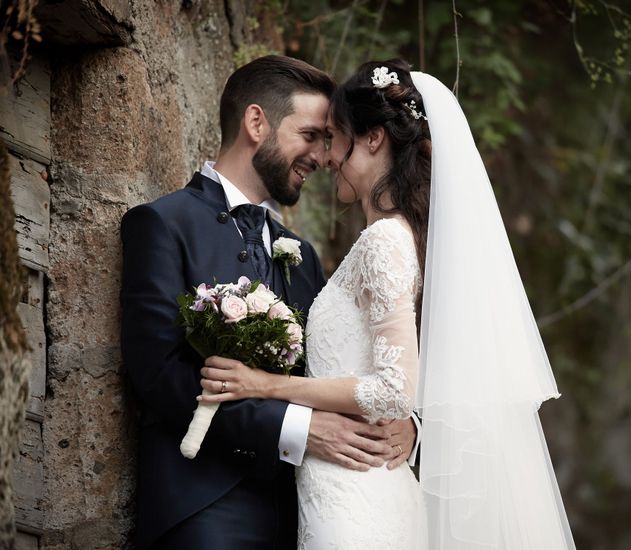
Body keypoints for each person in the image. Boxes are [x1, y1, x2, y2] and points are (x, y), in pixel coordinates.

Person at [200, 59, 576, 549]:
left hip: (353, 503)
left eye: (334, 137)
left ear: (373, 139)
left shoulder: (384, 241)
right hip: (352, 489)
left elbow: (395, 388)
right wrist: (411, 428)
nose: (328, 155)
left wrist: (266, 384)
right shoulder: (405, 240)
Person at [120, 55, 418, 550]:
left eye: (329, 140)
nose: (324, 157)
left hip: (311, 511)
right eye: (311, 135)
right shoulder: (163, 224)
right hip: (205, 506)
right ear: (256, 122)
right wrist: (297, 428)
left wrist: (405, 424)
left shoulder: (302, 256)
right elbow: (158, 374)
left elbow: (336, 366)